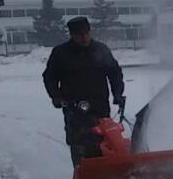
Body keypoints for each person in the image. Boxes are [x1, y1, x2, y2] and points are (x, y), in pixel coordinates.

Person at [42, 16, 125, 166]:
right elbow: (50, 77)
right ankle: (84, 177)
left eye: (86, 33)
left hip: (100, 107)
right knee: (81, 147)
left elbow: (114, 73)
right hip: (74, 109)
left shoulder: (101, 50)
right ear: (72, 35)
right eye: (79, 35)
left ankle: (110, 176)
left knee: (106, 142)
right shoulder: (61, 53)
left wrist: (117, 93)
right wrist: (56, 96)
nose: (84, 38)